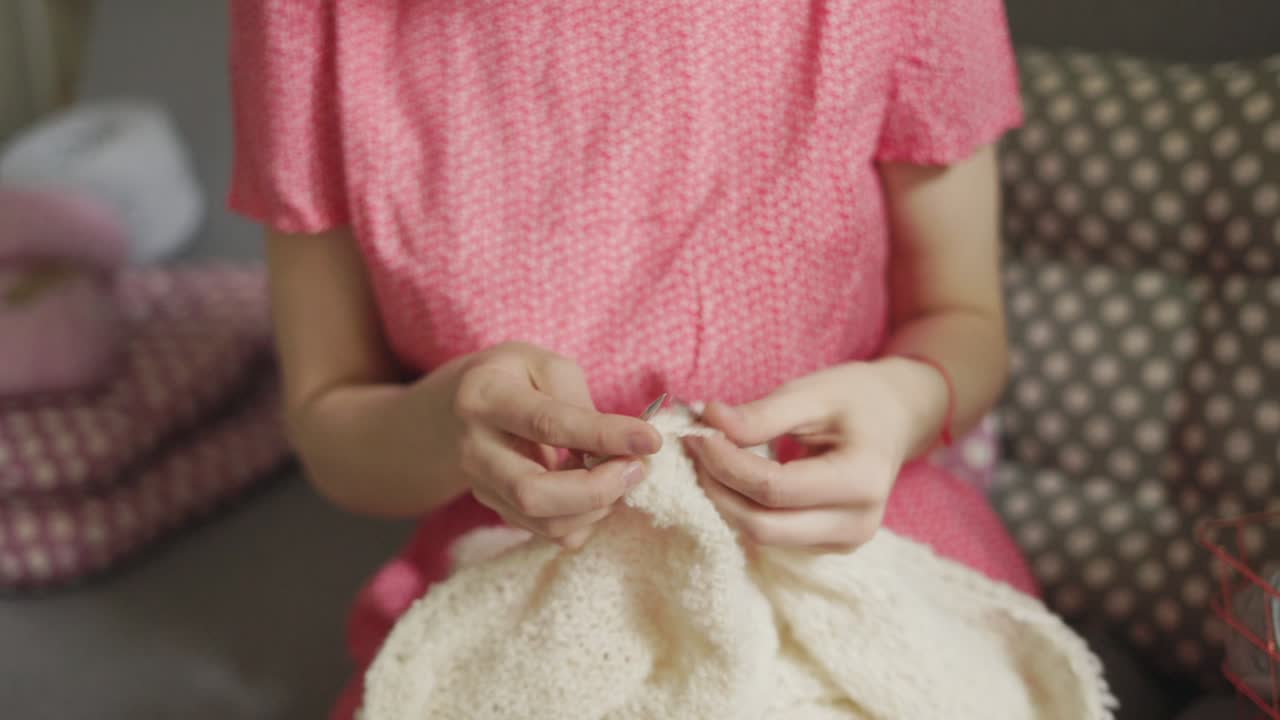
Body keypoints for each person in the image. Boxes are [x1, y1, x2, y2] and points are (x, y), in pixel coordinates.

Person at [228, 2, 1038, 716]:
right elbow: (330, 420)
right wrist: (449, 424)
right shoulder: (305, 18)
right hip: (516, 576)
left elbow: (961, 320)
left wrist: (901, 404)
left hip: (857, 543)